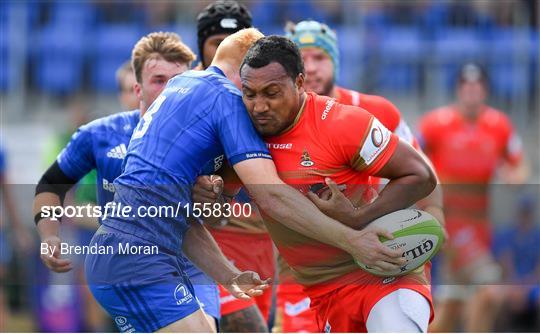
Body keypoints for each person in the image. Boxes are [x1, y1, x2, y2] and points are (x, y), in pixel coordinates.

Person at [235, 35, 436, 332]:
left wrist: (359, 217)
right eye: (250, 94)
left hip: (383, 273)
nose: (259, 106)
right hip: (322, 294)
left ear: (300, 83)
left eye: (272, 93)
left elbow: (422, 175)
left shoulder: (341, 123)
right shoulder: (239, 128)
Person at [32, 32, 228, 331]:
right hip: (130, 265)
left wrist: (214, 200)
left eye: (179, 81)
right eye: (159, 80)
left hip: (193, 264)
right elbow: (51, 185)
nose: (170, 90)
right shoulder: (99, 136)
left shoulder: (210, 141)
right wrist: (48, 236)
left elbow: (220, 221)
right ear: (137, 89)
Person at [417, 62, 528, 332]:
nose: (471, 93)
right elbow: (410, 157)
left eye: (477, 87)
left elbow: (521, 167)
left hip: (479, 226)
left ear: (486, 91)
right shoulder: (435, 124)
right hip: (446, 222)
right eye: (466, 87)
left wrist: (513, 176)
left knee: (451, 307)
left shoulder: (499, 125)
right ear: (457, 90)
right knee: (490, 290)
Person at [196, 2, 275, 331]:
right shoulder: (188, 99)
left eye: (237, 43)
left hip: (263, 250)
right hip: (209, 249)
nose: (229, 52)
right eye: (217, 43)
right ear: (201, 49)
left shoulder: (267, 104)